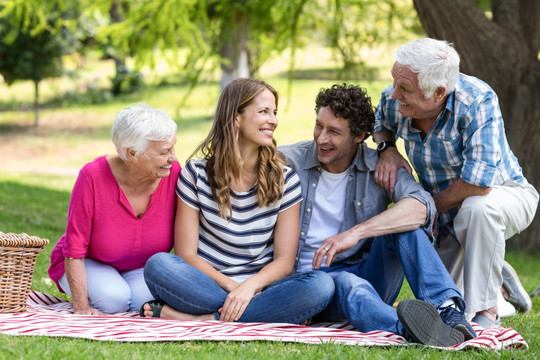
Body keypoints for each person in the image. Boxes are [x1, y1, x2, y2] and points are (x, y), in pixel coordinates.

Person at [279, 83, 475, 347]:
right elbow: (234, 162)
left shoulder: (380, 167)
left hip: (367, 275)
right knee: (348, 283)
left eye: (334, 132)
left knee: (406, 227)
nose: (321, 138)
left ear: (359, 136)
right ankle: (411, 329)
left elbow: (421, 206)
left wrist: (354, 233)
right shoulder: (290, 160)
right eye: (319, 126)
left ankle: (447, 311)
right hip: (307, 285)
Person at [373, 38, 539, 329]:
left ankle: (488, 314)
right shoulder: (396, 97)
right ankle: (505, 287)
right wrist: (387, 149)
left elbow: (479, 185)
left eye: (405, 89)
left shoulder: (476, 100)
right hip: (445, 214)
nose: (394, 94)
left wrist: (421, 208)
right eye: (395, 83)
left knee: (477, 209)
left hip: (504, 195)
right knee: (447, 305)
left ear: (438, 92)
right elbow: (380, 123)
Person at [141, 78, 334, 324]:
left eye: (274, 112)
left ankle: (202, 319)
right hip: (206, 284)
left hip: (261, 285)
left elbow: (285, 261)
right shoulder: (195, 174)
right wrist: (235, 289)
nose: (273, 120)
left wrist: (250, 287)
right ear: (236, 118)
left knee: (321, 285)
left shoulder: (286, 179)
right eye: (264, 111)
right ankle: (261, 312)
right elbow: (186, 255)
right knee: (159, 265)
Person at [48, 103, 180, 315]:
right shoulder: (92, 177)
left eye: (173, 148)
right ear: (132, 153)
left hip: (140, 267)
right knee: (114, 300)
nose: (173, 158)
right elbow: (74, 249)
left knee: (143, 302)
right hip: (90, 262)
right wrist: (82, 308)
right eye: (165, 152)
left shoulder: (172, 173)